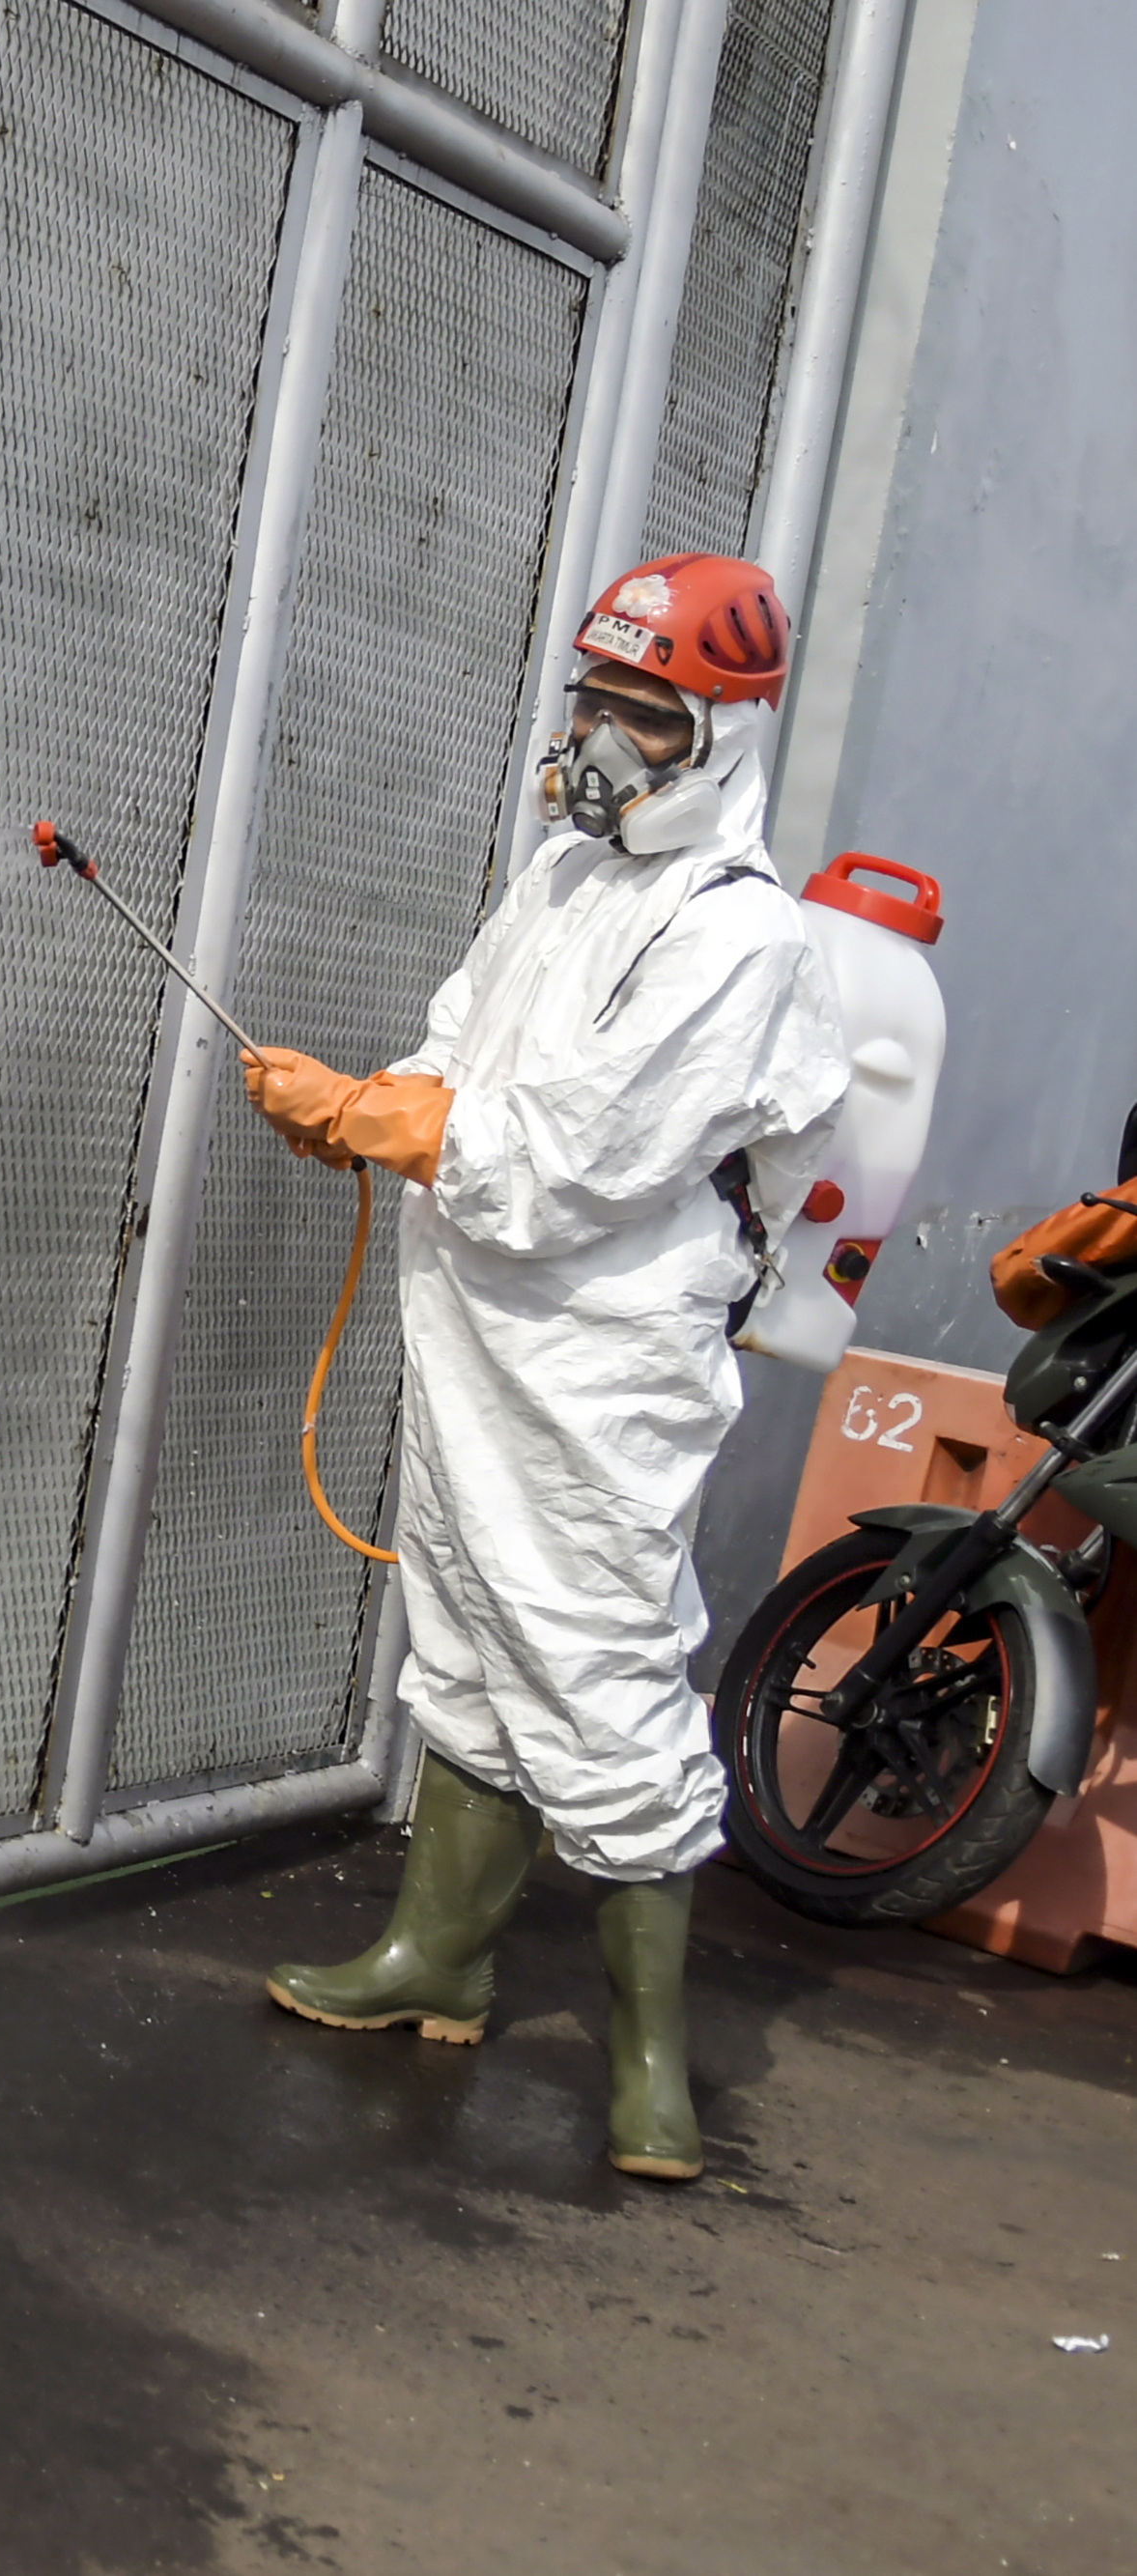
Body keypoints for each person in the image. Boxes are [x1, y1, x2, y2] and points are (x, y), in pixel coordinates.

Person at [240, 553, 850, 2181]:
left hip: (601, 1359)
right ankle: (436, 1956)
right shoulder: (563, 879)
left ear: (720, 733)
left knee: (595, 1658)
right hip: (475, 1318)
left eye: (644, 711)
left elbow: (582, 1152)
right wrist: (376, 1102)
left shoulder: (748, 939)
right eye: (594, 697)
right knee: (462, 1619)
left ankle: (655, 2061)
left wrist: (402, 1126)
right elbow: (466, 1048)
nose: (603, 734)